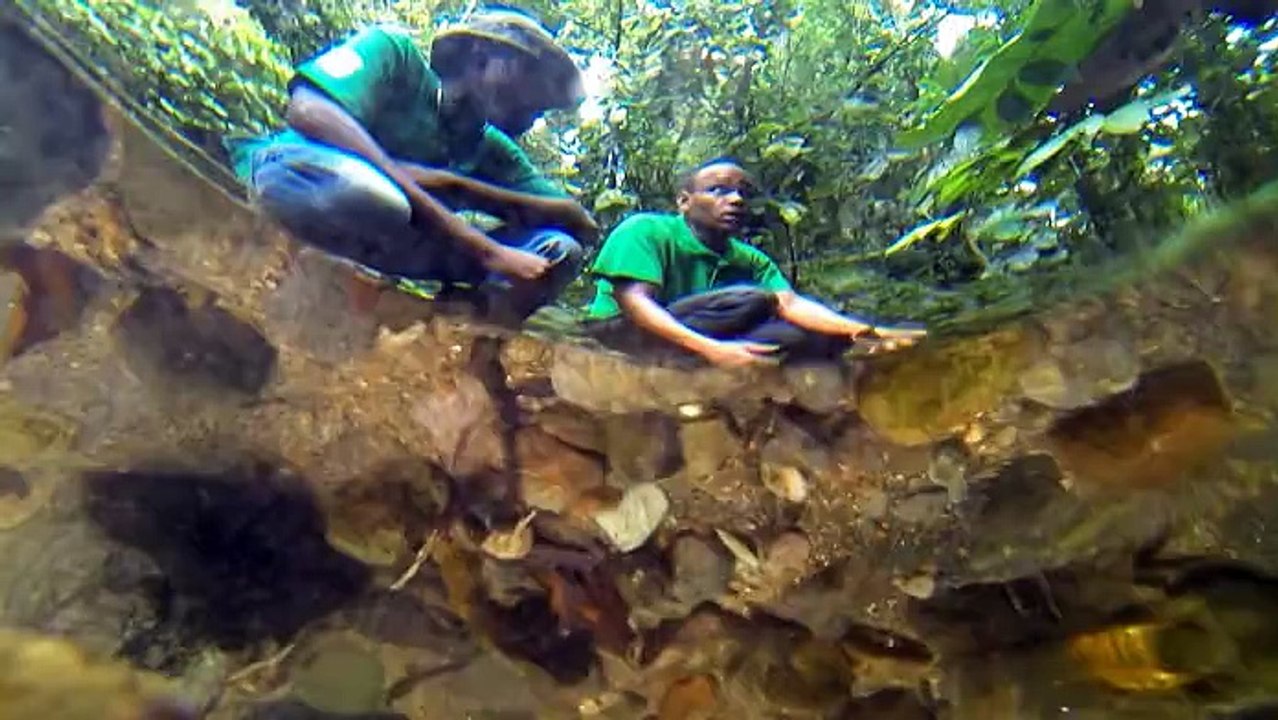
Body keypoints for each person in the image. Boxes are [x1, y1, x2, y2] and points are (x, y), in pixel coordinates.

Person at [225, 9, 599, 321]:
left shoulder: (489, 148)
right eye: (531, 80)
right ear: (481, 58)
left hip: (393, 242)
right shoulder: (394, 53)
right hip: (303, 181)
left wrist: (459, 188)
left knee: (558, 250)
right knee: (375, 196)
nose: (538, 107)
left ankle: (467, 328)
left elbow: (578, 222)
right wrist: (475, 240)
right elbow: (308, 111)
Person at [584, 158, 926, 368]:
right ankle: (693, 361)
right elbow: (635, 305)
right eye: (718, 190)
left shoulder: (750, 259)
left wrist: (865, 331)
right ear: (684, 202)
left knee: (814, 337)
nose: (735, 199)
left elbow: (790, 304)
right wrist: (714, 351)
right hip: (624, 332)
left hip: (697, 330)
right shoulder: (645, 230)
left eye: (743, 194)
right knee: (754, 299)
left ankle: (702, 368)